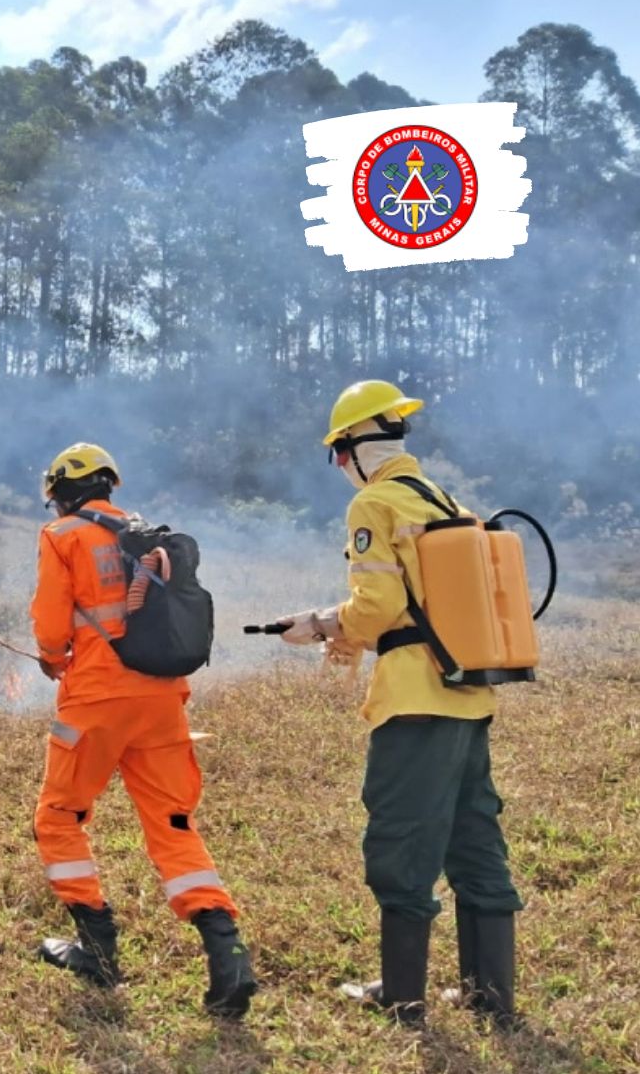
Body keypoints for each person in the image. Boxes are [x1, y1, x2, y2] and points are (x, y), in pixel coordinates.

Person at [278, 380, 523, 1028]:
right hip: (469, 696)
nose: (336, 466)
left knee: (400, 841)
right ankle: (489, 996)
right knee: (474, 840)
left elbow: (381, 608)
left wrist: (323, 623)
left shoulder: (375, 504)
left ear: (356, 447)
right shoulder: (444, 499)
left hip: (416, 702)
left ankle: (403, 998)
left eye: (336, 452)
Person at [29, 442, 256, 1019]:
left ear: (60, 492)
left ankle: (98, 949)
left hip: (95, 702)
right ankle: (227, 954)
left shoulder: (61, 538)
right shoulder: (145, 535)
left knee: (60, 816)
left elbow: (52, 625)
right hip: (162, 702)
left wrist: (51, 654)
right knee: (174, 824)